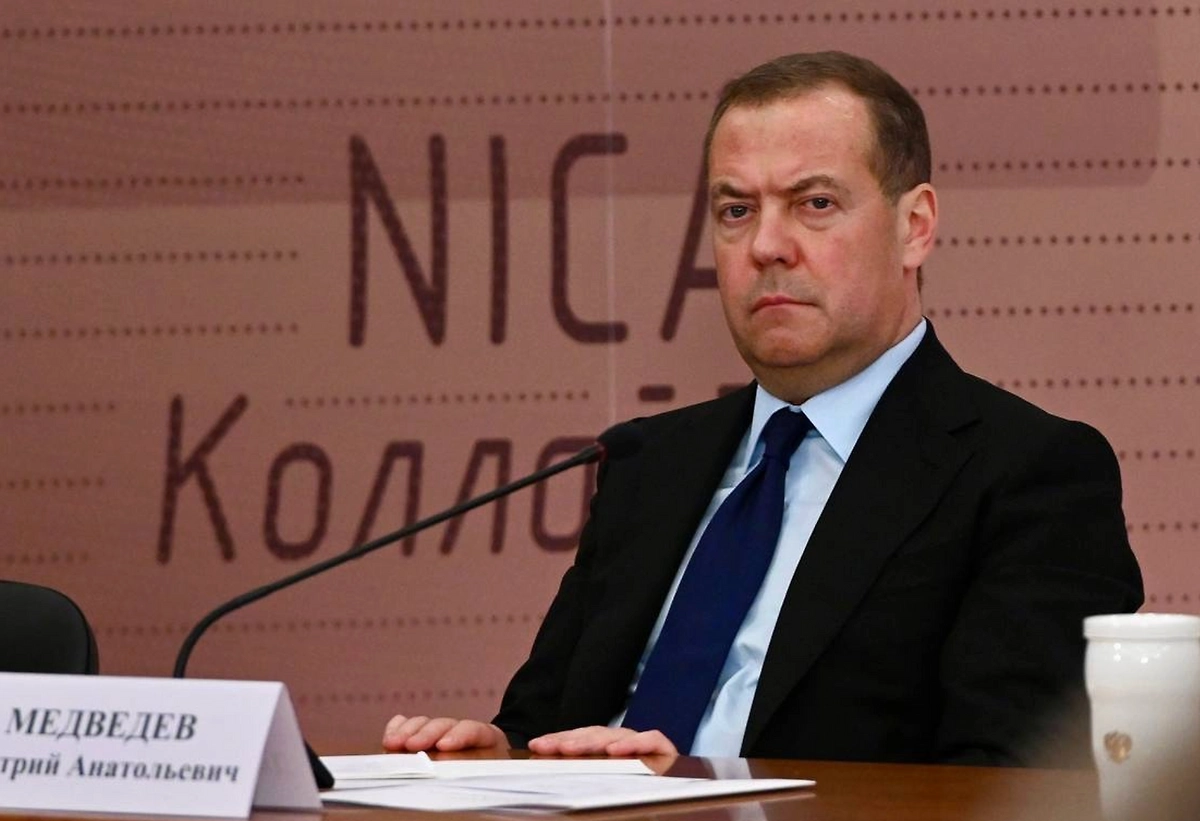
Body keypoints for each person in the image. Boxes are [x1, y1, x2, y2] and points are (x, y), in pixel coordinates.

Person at [381, 51, 1143, 765]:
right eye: (736, 210)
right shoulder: (651, 462)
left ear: (914, 227)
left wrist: (696, 791)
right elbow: (544, 723)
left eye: (815, 203)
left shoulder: (1029, 476)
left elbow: (1001, 787)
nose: (766, 245)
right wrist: (500, 757)